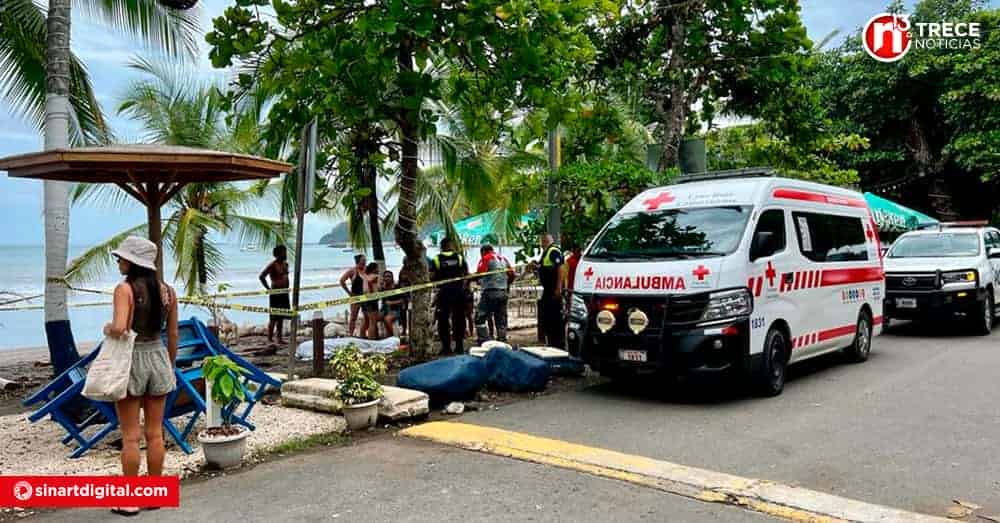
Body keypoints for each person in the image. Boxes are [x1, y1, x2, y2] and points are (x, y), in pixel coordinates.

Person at [103, 236, 178, 517]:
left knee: (131, 437)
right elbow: (172, 334)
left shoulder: (124, 289)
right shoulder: (168, 291)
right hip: (158, 357)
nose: (118, 261)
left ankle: (130, 499)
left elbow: (121, 328)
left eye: (121, 258)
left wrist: (107, 328)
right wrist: (168, 365)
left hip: (131, 360)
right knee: (155, 433)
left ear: (133, 262)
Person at [431, 238, 469, 354]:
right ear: (451, 246)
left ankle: (446, 347)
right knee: (459, 319)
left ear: (441, 247)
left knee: (443, 320)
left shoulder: (436, 259)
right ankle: (459, 346)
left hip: (444, 292)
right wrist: (464, 288)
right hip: (458, 292)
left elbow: (431, 276)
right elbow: (466, 275)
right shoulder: (459, 258)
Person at [474, 244, 515, 344]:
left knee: (480, 317)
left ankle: (484, 340)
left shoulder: (486, 258)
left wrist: (470, 279)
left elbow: (480, 274)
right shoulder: (503, 259)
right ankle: (502, 340)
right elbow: (512, 274)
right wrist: (506, 284)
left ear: (483, 252)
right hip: (503, 292)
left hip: (490, 292)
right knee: (501, 318)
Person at [531, 233, 565, 348]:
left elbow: (560, 268)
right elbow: (544, 268)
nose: (540, 244)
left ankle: (557, 345)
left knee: (555, 319)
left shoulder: (553, 251)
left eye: (541, 242)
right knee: (548, 318)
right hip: (548, 290)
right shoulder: (546, 253)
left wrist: (558, 288)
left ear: (545, 241)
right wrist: (535, 266)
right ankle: (551, 342)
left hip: (553, 290)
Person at [259, 245, 290, 345]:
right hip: (275, 294)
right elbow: (262, 276)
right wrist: (268, 289)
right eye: (283, 252)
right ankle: (269, 338)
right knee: (273, 317)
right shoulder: (272, 265)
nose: (285, 254)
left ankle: (279, 338)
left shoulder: (286, 264)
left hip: (284, 293)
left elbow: (285, 277)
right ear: (278, 254)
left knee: (281, 316)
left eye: (285, 252)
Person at [339, 254, 367, 336]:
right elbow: (342, 280)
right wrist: (349, 293)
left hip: (366, 297)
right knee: (353, 317)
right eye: (363, 260)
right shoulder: (352, 271)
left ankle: (363, 333)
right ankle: (351, 334)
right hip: (355, 297)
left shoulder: (366, 270)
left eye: (365, 260)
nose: (365, 262)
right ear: (358, 261)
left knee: (367, 317)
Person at [380, 270, 404, 338]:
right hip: (384, 309)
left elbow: (402, 300)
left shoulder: (397, 287)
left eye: (389, 276)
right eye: (385, 277)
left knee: (387, 319)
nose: (387, 278)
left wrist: (392, 303)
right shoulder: (383, 288)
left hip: (395, 310)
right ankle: (376, 337)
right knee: (373, 318)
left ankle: (392, 338)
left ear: (392, 278)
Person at [361, 262, 381, 339]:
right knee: (372, 322)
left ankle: (362, 337)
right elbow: (378, 287)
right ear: (374, 269)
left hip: (364, 299)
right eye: (377, 268)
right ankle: (371, 340)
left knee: (366, 321)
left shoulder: (365, 276)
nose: (378, 269)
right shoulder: (376, 276)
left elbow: (364, 289)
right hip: (372, 300)